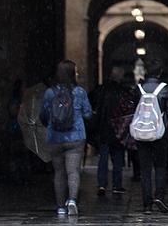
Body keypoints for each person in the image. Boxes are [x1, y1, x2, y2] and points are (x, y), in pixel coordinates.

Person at [40, 60, 92, 216]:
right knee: (73, 171)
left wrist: (50, 124)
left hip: (55, 137)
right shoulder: (79, 92)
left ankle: (60, 207)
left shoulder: (50, 92)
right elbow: (88, 114)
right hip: (75, 137)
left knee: (59, 172)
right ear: (72, 73)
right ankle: (72, 201)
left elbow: (43, 115)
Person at [136, 59, 168, 214]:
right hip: (160, 133)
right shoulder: (165, 89)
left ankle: (147, 204)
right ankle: (159, 196)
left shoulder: (139, 88)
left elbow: (135, 109)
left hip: (141, 134)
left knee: (145, 169)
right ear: (160, 73)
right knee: (160, 167)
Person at [95, 65, 128, 196]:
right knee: (118, 158)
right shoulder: (122, 91)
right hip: (118, 128)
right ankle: (117, 184)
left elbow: (97, 110)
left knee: (103, 157)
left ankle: (102, 184)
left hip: (104, 128)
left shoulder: (101, 90)